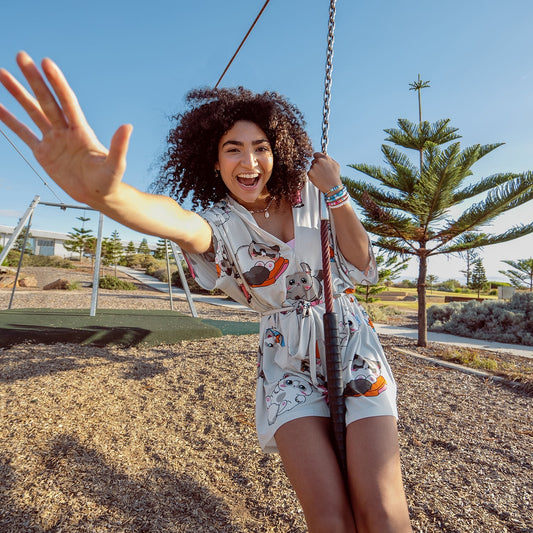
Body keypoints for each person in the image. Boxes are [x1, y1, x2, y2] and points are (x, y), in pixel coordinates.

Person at [0, 52, 412, 532]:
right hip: (286, 363)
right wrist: (109, 198)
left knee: (382, 513)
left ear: (277, 150)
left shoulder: (313, 191)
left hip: (350, 341)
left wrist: (337, 190)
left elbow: (362, 266)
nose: (249, 160)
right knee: (330, 518)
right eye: (233, 149)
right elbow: (176, 220)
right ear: (215, 163)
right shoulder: (219, 224)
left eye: (260, 146)